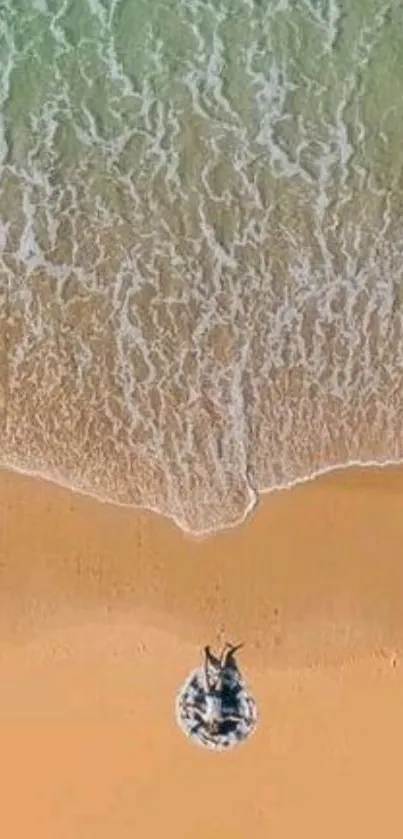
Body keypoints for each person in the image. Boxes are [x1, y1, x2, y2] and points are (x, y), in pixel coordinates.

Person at [202, 643, 244, 736]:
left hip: (208, 695)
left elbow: (197, 710)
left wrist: (188, 706)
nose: (215, 727)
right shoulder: (220, 719)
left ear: (209, 727)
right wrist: (240, 719)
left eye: (213, 728)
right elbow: (230, 717)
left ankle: (205, 655)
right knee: (220, 673)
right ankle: (223, 650)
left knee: (205, 673)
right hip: (217, 695)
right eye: (216, 728)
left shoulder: (206, 718)